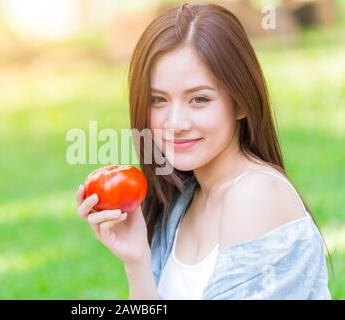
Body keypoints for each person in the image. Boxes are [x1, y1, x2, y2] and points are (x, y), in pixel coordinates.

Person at [75, 2, 331, 299]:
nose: (175, 123)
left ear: (241, 102)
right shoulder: (184, 200)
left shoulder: (255, 195)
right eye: (158, 100)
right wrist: (137, 261)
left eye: (198, 99)